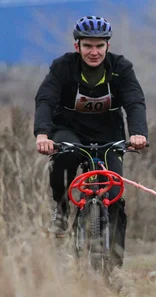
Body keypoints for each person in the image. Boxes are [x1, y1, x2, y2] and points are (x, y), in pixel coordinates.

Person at [34, 15, 148, 270]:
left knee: (115, 193)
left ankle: (114, 270)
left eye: (99, 46)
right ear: (78, 46)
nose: (93, 52)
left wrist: (138, 133)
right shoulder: (62, 67)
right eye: (88, 46)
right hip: (69, 131)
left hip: (109, 136)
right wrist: (42, 135)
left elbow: (134, 102)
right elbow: (45, 100)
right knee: (65, 157)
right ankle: (62, 209)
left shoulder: (121, 68)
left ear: (107, 46)